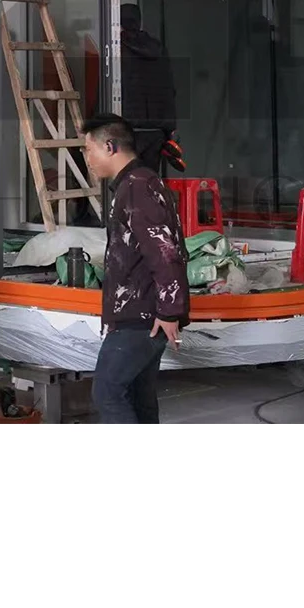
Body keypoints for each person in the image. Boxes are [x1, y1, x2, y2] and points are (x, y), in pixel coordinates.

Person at [81, 113, 190, 424]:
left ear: (110, 147)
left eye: (89, 149)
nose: (87, 158)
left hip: (141, 316)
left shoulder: (137, 186)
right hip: (145, 313)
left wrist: (170, 311)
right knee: (139, 396)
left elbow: (164, 251)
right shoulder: (137, 183)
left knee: (108, 392)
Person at [119, 4, 177, 174]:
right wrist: (169, 127)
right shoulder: (158, 49)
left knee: (127, 180)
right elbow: (169, 89)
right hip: (157, 129)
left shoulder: (119, 49)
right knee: (149, 179)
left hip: (129, 127)